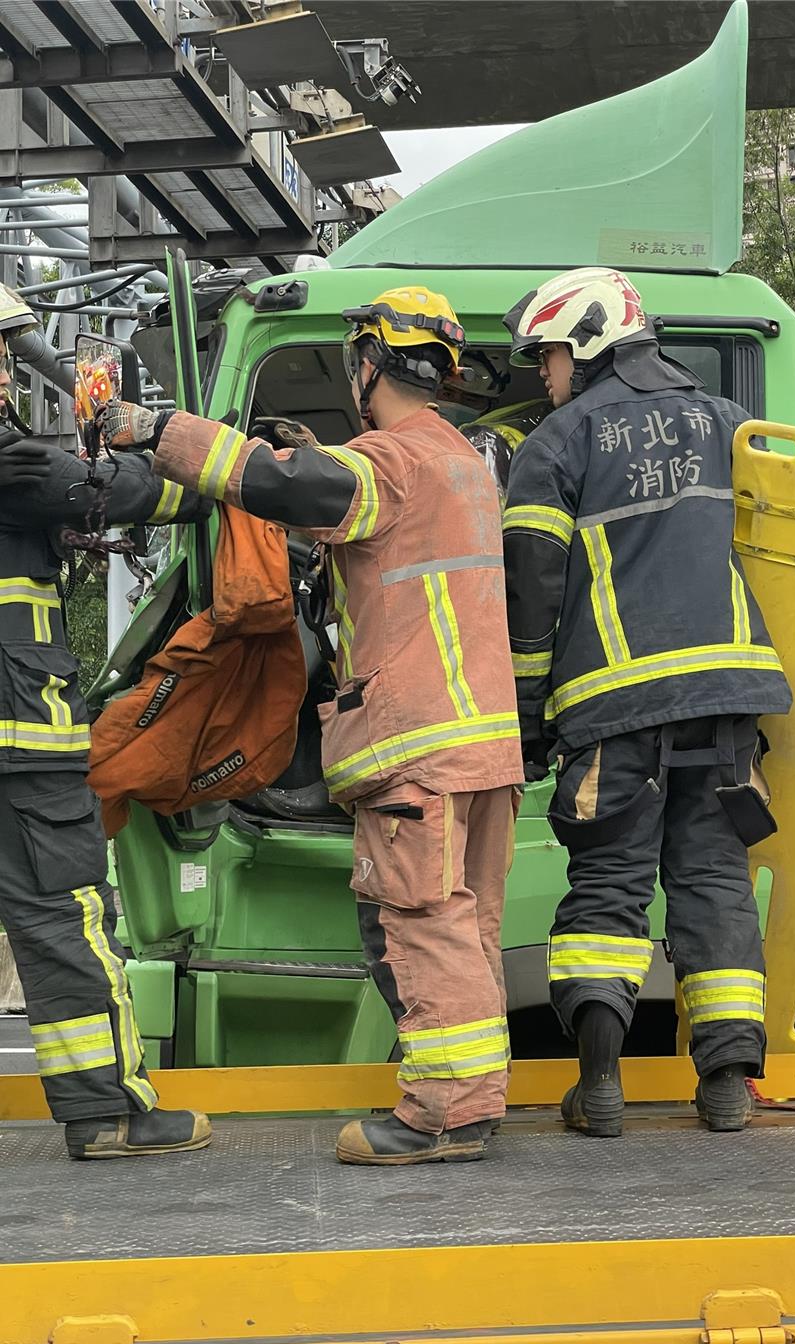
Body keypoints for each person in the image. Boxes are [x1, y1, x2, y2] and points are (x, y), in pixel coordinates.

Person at [101, 286, 524, 1166]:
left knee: (417, 923)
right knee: (466, 928)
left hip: (418, 748)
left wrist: (159, 429)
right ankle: (473, 1100)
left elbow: (280, 485)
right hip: (483, 748)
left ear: (368, 362)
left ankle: (444, 1116)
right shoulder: (459, 461)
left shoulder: (389, 461)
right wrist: (317, 459)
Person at [502, 267, 793, 1136]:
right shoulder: (734, 426)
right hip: (729, 703)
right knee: (714, 883)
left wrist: (526, 718)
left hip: (614, 707)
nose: (544, 372)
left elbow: (531, 596)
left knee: (608, 884)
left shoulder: (557, 442)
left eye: (548, 353)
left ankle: (599, 1086)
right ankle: (728, 1085)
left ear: (588, 342)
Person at [0, 289, 211, 1159]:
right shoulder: (13, 467)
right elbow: (113, 490)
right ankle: (109, 1113)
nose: (9, 375)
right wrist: (200, 472)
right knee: (64, 921)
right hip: (22, 744)